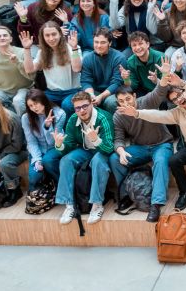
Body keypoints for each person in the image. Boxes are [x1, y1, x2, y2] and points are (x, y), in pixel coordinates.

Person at [125, 70, 186, 212]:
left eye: (179, 95)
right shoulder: (177, 113)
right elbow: (158, 115)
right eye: (174, 100)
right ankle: (185, 192)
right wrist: (137, 113)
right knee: (173, 160)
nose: (178, 100)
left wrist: (183, 83)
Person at [110, 58, 173, 222]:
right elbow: (118, 138)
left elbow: (159, 91)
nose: (126, 103)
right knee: (115, 158)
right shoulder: (118, 116)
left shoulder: (146, 102)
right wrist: (121, 150)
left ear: (135, 96)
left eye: (128, 99)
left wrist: (165, 75)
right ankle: (125, 194)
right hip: (141, 148)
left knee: (160, 162)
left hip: (161, 145)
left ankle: (156, 205)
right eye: (121, 101)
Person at [54, 90, 115, 225]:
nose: (82, 110)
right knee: (66, 160)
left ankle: (97, 204)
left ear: (91, 104)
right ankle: (69, 205)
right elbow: (69, 144)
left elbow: (109, 147)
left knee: (98, 161)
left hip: (102, 151)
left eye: (85, 106)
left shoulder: (103, 117)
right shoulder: (73, 119)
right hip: (85, 150)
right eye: (78, 108)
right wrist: (59, 146)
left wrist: (96, 140)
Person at [19, 23, 82, 114]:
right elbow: (29, 69)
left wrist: (75, 48)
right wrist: (27, 48)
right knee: (37, 104)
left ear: (60, 34)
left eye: (54, 34)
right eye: (47, 35)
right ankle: (46, 127)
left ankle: (64, 128)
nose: (51, 38)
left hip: (72, 91)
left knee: (66, 105)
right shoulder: (42, 53)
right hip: (52, 93)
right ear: (43, 37)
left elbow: (77, 68)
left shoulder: (71, 48)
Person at [21, 90, 66, 192]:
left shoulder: (59, 114)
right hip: (38, 149)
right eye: (30, 106)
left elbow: (53, 142)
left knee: (48, 160)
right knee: (33, 177)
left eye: (35, 103)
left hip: (54, 147)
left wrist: (47, 126)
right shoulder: (25, 118)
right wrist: (37, 159)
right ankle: (42, 195)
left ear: (43, 100)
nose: (34, 108)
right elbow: (31, 141)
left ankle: (62, 187)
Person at [79, 28, 125, 113]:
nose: (99, 45)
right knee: (81, 101)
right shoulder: (88, 58)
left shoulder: (119, 58)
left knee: (110, 102)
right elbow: (85, 81)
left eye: (103, 42)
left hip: (113, 92)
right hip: (94, 91)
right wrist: (91, 95)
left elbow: (117, 83)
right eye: (96, 42)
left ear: (110, 43)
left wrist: (101, 96)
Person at [121, 30, 165, 97]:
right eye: (134, 45)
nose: (138, 48)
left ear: (147, 44)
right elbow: (133, 86)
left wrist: (156, 80)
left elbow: (167, 84)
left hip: (161, 90)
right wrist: (126, 79)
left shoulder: (161, 58)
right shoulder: (130, 61)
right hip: (144, 92)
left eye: (140, 43)